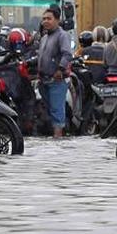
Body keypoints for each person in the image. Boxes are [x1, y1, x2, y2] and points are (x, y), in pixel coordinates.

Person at [35, 8, 73, 138]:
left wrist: (60, 69)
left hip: (56, 80)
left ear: (57, 20)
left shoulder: (62, 35)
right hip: (44, 80)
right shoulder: (45, 37)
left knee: (57, 111)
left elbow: (67, 54)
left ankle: (58, 141)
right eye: (44, 19)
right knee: (50, 111)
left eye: (49, 19)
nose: (45, 21)